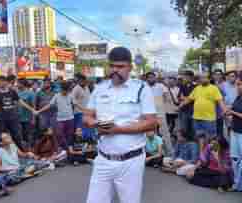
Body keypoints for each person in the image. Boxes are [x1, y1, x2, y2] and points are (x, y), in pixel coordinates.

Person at [84, 47, 158, 203]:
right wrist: (96, 124)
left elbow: (151, 122)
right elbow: (87, 116)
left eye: (120, 67)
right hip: (103, 159)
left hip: (131, 161)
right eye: (112, 66)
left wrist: (118, 129)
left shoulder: (141, 89)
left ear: (130, 67)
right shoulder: (99, 88)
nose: (115, 70)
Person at [178, 72, 227, 152]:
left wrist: (224, 110)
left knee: (212, 138)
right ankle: (202, 155)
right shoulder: (197, 88)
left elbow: (220, 101)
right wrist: (181, 105)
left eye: (205, 77)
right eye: (201, 78)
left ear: (209, 79)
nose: (203, 79)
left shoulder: (214, 88)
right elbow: (189, 99)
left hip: (209, 118)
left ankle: (215, 157)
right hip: (197, 117)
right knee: (200, 137)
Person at [0, 76, 35, 149]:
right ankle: (0, 154)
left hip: (13, 118)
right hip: (1, 119)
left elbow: (20, 102)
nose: (0, 84)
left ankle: (21, 151)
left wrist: (31, 109)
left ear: (6, 82)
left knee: (16, 136)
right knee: (1, 136)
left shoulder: (12, 91)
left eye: (1, 81)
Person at [35, 81, 75, 151]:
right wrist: (39, 111)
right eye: (64, 90)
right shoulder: (56, 96)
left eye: (67, 90)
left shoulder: (70, 95)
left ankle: (67, 149)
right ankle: (65, 148)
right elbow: (49, 105)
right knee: (59, 134)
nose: (65, 92)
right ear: (61, 89)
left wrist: (85, 110)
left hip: (70, 118)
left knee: (69, 135)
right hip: (60, 119)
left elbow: (75, 104)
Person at [146, 72, 174, 156]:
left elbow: (167, 98)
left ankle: (169, 152)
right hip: (148, 115)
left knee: (164, 133)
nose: (151, 79)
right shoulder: (144, 87)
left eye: (152, 77)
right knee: (150, 133)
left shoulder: (161, 86)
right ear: (147, 78)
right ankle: (153, 152)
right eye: (149, 77)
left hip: (160, 114)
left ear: (155, 78)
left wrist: (161, 105)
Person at [17, 79, 35, 149]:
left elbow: (34, 106)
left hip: (28, 118)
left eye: (18, 83)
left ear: (22, 84)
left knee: (28, 134)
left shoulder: (30, 93)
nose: (17, 85)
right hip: (18, 118)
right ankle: (23, 149)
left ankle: (30, 148)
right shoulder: (16, 93)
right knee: (21, 135)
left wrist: (33, 118)